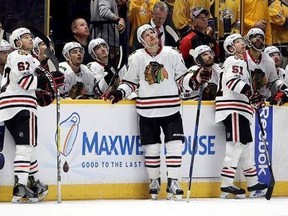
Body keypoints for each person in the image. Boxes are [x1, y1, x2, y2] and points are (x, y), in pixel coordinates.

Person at [103, 24, 210, 200]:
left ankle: (174, 181)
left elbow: (182, 79)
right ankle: (154, 181)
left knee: (175, 145)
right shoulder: (137, 58)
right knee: (151, 148)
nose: (151, 36)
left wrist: (196, 78)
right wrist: (119, 92)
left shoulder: (172, 54)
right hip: (147, 111)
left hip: (171, 109)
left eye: (152, 32)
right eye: (146, 34)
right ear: (141, 41)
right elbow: (131, 83)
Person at [0, 27, 64, 203]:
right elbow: (25, 81)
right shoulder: (21, 55)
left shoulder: (23, 58)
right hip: (22, 104)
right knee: (26, 147)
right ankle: (20, 186)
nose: (31, 39)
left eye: (30, 36)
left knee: (29, 148)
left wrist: (52, 78)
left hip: (8, 106)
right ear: (17, 42)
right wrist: (48, 81)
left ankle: (33, 182)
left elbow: (43, 74)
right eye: (26, 37)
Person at [215, 33, 268, 199]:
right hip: (234, 109)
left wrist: (252, 97)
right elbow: (232, 81)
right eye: (238, 42)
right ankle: (226, 185)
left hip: (240, 109)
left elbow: (242, 86)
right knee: (236, 145)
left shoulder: (242, 63)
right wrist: (249, 93)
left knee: (245, 148)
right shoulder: (234, 61)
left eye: (242, 41)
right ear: (231, 48)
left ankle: (253, 183)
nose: (243, 44)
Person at [245, 27, 288, 104]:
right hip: (245, 101)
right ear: (248, 40)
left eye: (260, 37)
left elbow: (273, 82)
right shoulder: (242, 58)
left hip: (265, 101)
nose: (258, 39)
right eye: (254, 36)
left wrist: (284, 89)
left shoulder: (269, 60)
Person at [269, 0, 288, 67]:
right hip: (280, 43)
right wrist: (285, 21)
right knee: (281, 68)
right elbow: (273, 15)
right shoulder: (276, 4)